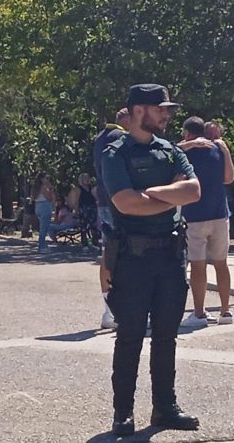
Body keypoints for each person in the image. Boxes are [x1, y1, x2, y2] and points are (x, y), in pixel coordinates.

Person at [101, 83, 201, 436]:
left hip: (170, 257)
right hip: (132, 259)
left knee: (166, 336)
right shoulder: (115, 154)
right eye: (161, 108)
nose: (167, 115)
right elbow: (125, 203)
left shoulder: (170, 151)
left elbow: (193, 190)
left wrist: (151, 195)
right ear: (139, 110)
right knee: (129, 336)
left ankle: (165, 407)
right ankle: (122, 412)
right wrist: (169, 196)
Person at [177, 117, 234, 328]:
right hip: (219, 213)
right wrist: (225, 150)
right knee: (221, 264)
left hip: (195, 214)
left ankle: (199, 312)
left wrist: (188, 145)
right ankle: (225, 311)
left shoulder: (185, 152)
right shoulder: (217, 149)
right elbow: (229, 178)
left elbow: (171, 159)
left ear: (187, 133)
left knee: (198, 266)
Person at [93, 108, 130, 329]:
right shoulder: (121, 138)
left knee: (108, 253)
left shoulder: (99, 139)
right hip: (120, 203)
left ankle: (109, 310)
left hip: (105, 202)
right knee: (127, 254)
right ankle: (122, 310)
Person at [32, 172, 54, 253]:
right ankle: (41, 246)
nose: (48, 180)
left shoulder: (36, 188)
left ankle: (44, 245)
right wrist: (51, 190)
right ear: (42, 179)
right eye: (46, 178)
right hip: (45, 206)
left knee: (43, 226)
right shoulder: (44, 187)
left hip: (38, 206)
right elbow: (49, 198)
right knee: (43, 228)